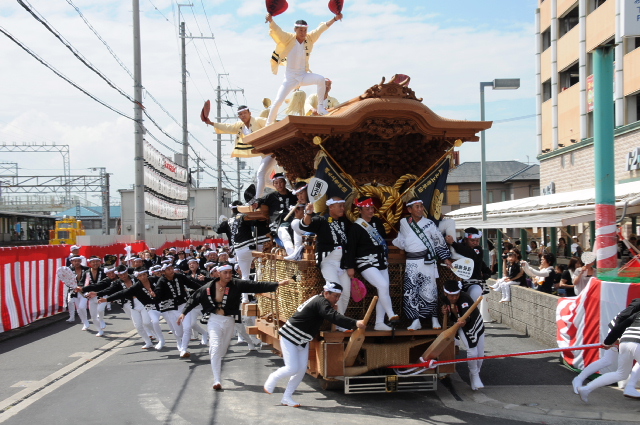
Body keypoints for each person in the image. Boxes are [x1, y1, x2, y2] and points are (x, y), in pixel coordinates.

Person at [178, 263, 291, 390]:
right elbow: (194, 299)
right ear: (218, 273)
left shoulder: (236, 284)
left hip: (229, 320)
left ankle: (217, 355)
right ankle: (217, 380)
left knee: (222, 349)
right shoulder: (208, 287)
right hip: (214, 320)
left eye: (230, 272)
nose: (228, 275)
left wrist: (277, 284)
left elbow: (256, 285)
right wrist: (184, 313)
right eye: (225, 272)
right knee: (215, 347)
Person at [264, 281, 365, 406]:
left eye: (339, 296)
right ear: (326, 293)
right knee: (292, 368)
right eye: (335, 296)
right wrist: (355, 323)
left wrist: (333, 311)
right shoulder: (320, 301)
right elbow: (332, 316)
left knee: (301, 370)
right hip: (290, 336)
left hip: (302, 340)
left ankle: (287, 397)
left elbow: (329, 314)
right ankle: (273, 378)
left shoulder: (320, 301)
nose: (337, 299)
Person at [265, 12, 343, 125]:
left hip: (303, 76)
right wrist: (271, 21)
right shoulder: (288, 38)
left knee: (321, 79)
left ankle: (320, 107)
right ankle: (268, 124)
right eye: (300, 30)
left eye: (305, 30)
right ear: (295, 29)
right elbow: (278, 31)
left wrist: (335, 19)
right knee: (278, 101)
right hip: (290, 78)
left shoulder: (309, 39)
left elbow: (321, 29)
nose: (303, 33)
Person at [392, 198, 453, 330]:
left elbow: (438, 241)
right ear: (409, 209)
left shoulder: (429, 223)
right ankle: (415, 320)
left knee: (430, 290)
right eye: (417, 207)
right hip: (411, 261)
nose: (420, 209)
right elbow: (402, 239)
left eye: (421, 206)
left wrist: (445, 258)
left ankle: (434, 318)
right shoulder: (404, 222)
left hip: (427, 261)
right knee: (411, 291)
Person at [346, 196, 398, 330]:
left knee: (384, 289)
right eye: (367, 209)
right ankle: (391, 314)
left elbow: (382, 240)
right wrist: (350, 267)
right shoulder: (355, 228)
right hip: (365, 262)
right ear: (360, 210)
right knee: (383, 285)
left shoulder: (377, 222)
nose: (370, 211)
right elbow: (351, 248)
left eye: (372, 208)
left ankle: (379, 323)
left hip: (381, 260)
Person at [572, 298, 640, 398]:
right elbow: (621, 317)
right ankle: (579, 378)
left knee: (622, 371)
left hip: (627, 332)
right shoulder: (639, 302)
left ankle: (630, 386)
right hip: (619, 329)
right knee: (608, 360)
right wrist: (614, 338)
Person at [300, 196, 352, 316]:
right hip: (328, 261)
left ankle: (339, 321)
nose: (342, 208)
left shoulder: (344, 222)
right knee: (336, 291)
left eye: (343, 206)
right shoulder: (322, 220)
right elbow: (306, 225)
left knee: (346, 293)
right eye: (340, 206)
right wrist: (308, 212)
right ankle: (336, 321)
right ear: (331, 207)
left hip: (342, 263)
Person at [96, 267, 157, 349]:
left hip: (144, 302)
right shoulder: (118, 282)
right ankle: (148, 342)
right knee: (138, 326)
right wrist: (98, 294)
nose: (123, 276)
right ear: (118, 275)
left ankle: (159, 336)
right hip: (132, 305)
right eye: (120, 275)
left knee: (147, 322)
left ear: (127, 272)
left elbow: (149, 282)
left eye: (124, 274)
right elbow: (113, 291)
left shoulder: (136, 278)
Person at [442, 280, 485, 390]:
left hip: (476, 324)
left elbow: (467, 313)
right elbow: (448, 314)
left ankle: (476, 374)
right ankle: (474, 375)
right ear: (446, 294)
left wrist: (465, 319)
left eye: (456, 295)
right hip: (462, 327)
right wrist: (445, 312)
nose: (454, 298)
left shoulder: (464, 298)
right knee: (473, 352)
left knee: (480, 354)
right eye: (452, 296)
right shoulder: (444, 299)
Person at [155, 264, 202, 357]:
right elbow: (158, 295)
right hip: (171, 309)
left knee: (187, 328)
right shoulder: (161, 281)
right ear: (163, 272)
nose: (171, 270)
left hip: (184, 306)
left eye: (172, 268)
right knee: (179, 333)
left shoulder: (180, 277)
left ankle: (184, 349)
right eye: (168, 269)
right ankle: (180, 341)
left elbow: (192, 284)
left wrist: (203, 289)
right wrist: (154, 296)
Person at [447, 227, 492, 302]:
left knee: (475, 292)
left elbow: (471, 254)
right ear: (466, 240)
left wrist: (453, 243)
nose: (475, 243)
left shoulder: (478, 249)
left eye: (477, 240)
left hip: (473, 282)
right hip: (457, 281)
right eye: (472, 240)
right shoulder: (459, 247)